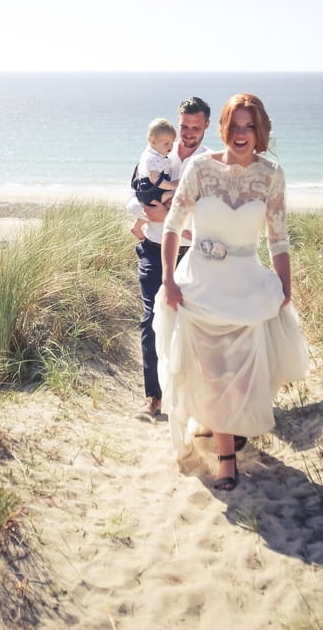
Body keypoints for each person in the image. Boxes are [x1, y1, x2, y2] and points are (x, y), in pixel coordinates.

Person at [154, 93, 309, 490]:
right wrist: (169, 280)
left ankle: (227, 425)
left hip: (246, 286)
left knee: (239, 374)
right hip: (200, 285)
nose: (242, 134)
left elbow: (278, 238)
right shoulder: (201, 170)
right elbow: (172, 226)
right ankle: (227, 462)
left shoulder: (272, 174)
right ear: (222, 128)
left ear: (260, 131)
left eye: (250, 126)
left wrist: (284, 286)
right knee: (214, 370)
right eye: (235, 125)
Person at [127, 96, 211, 420]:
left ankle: (192, 398)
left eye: (195, 127)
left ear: (205, 126)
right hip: (152, 247)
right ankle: (154, 396)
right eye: (184, 126)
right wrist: (152, 214)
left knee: (191, 325)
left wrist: (167, 217)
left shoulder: (208, 162)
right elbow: (134, 198)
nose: (188, 133)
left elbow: (207, 213)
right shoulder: (156, 151)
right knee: (151, 319)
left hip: (190, 254)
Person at [130, 118, 180, 241]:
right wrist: (172, 185)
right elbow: (155, 179)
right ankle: (171, 225)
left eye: (172, 142)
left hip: (146, 192)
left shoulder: (153, 153)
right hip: (151, 190)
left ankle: (137, 227)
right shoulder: (153, 158)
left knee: (151, 207)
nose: (170, 146)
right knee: (172, 196)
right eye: (166, 143)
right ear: (152, 141)